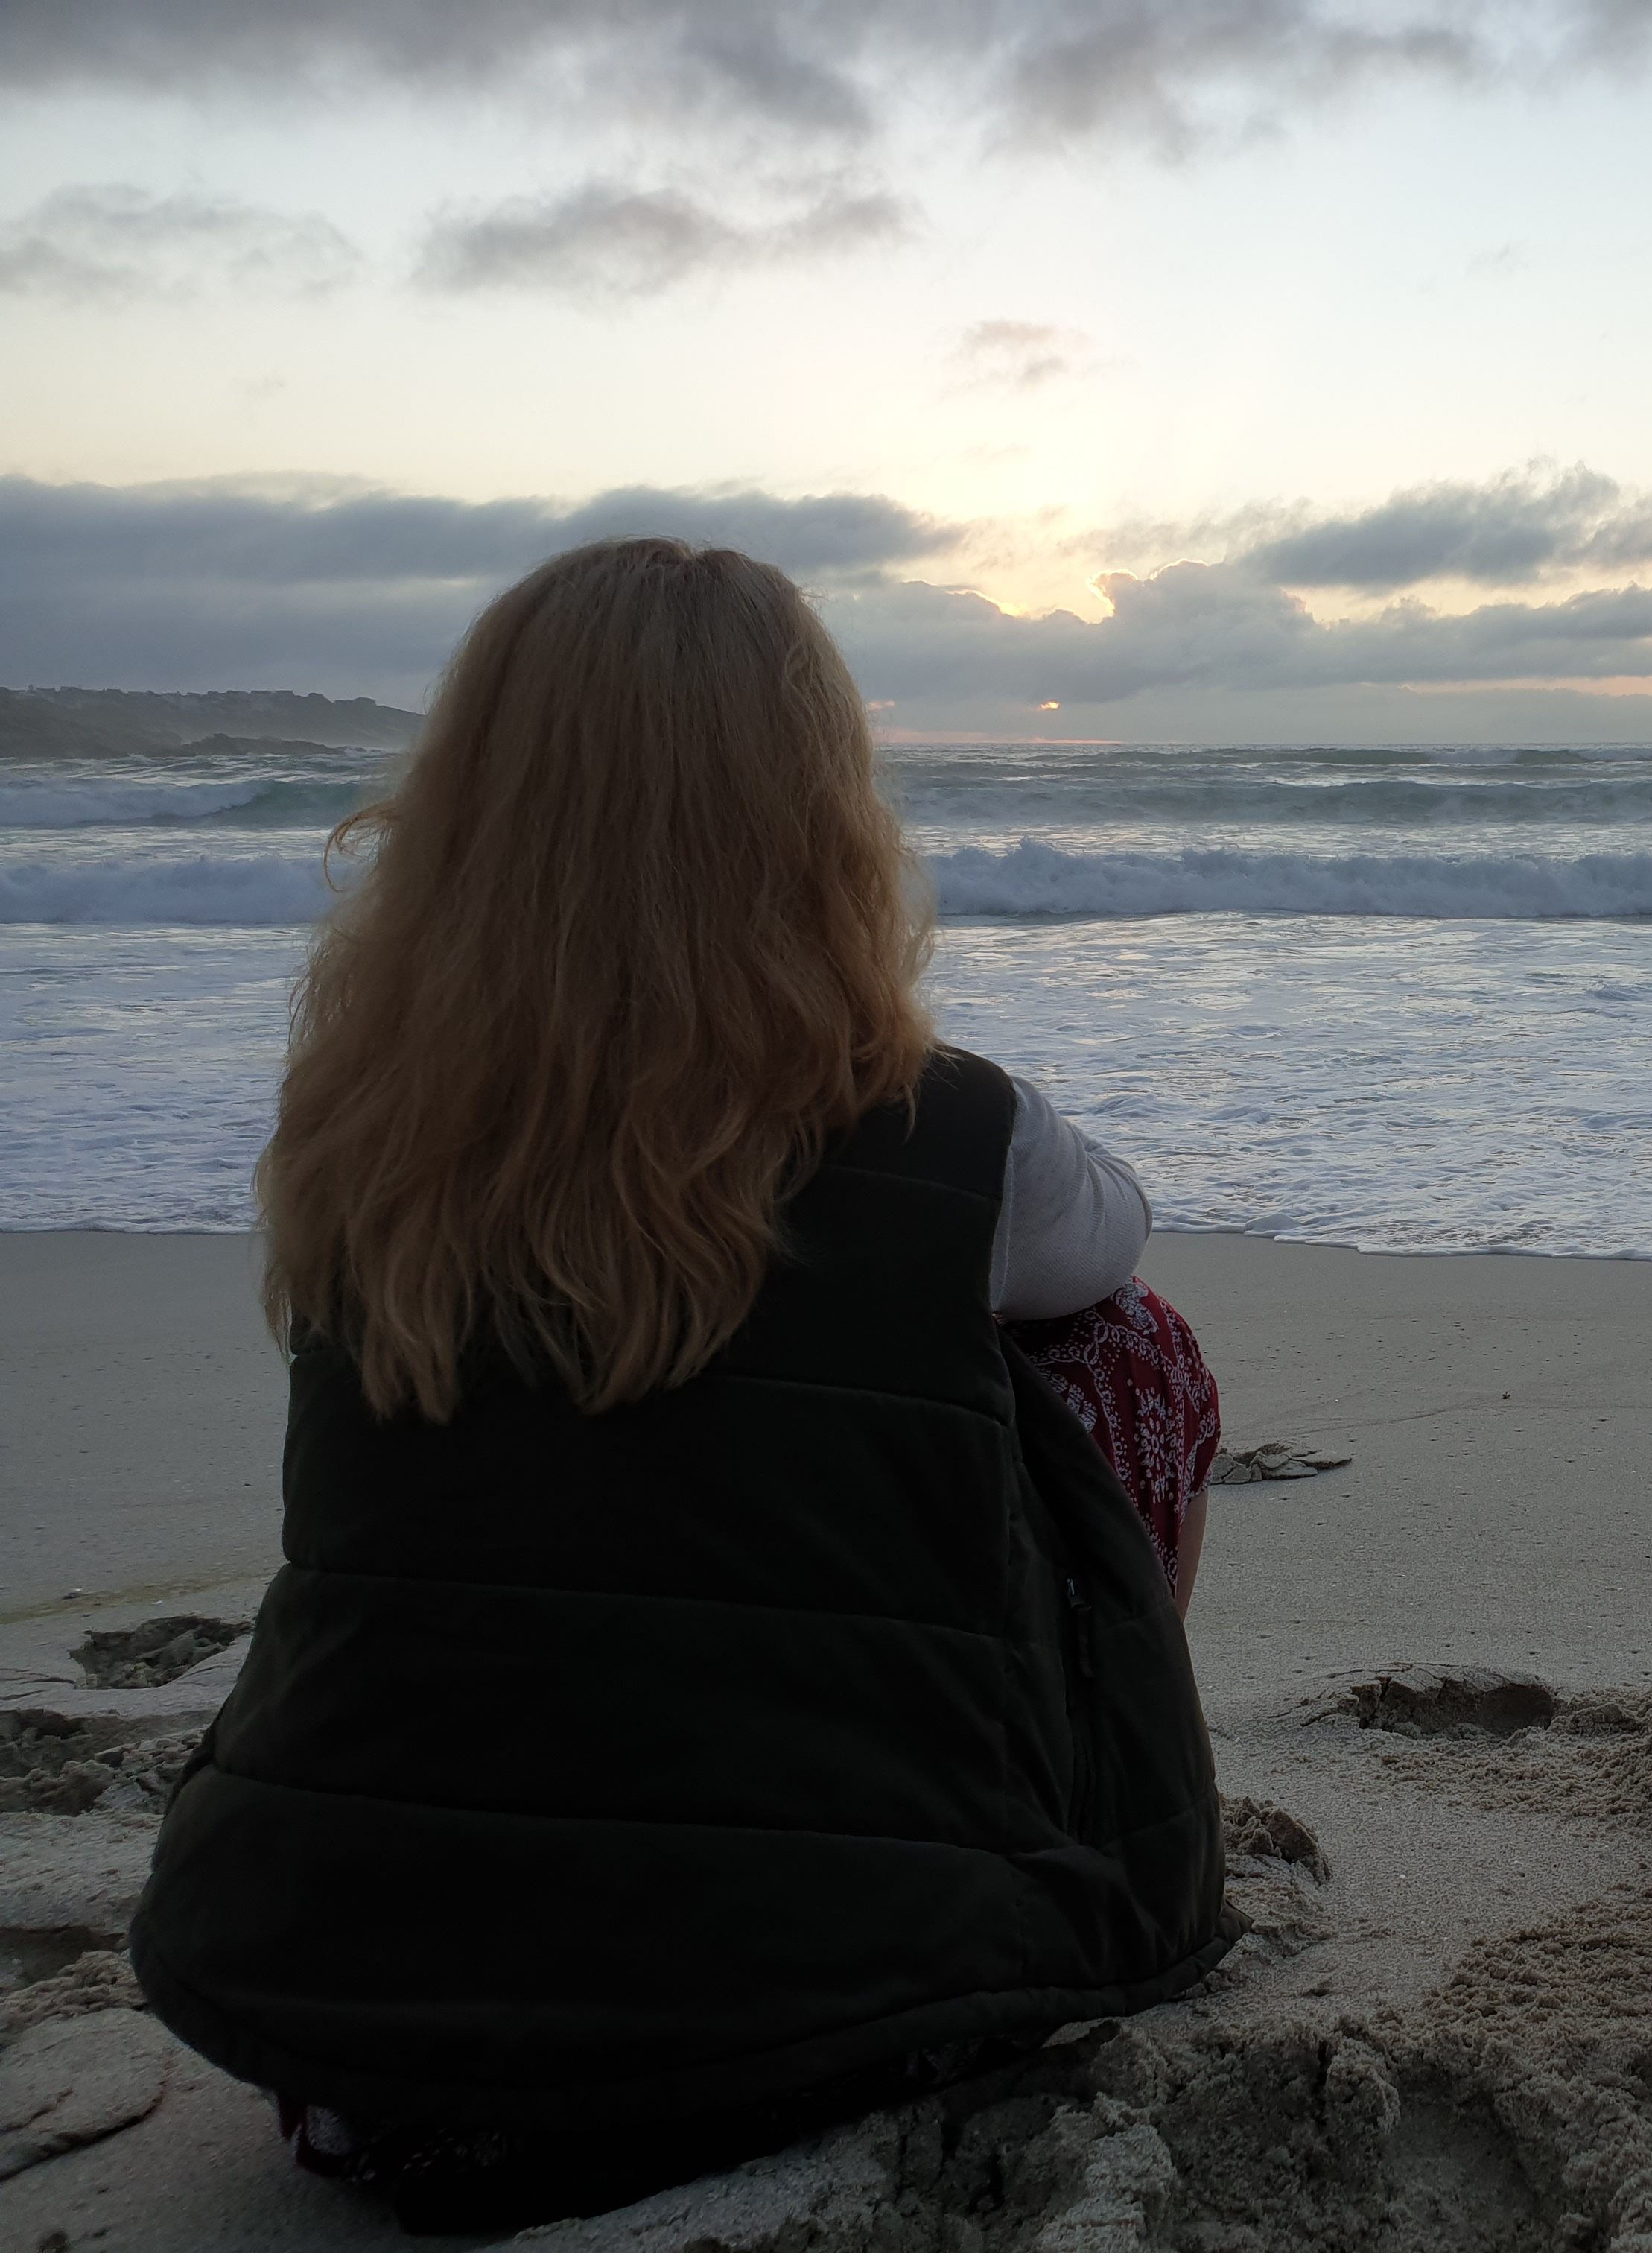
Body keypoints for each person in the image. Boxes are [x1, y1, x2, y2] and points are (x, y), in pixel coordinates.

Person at [129, 539, 1232, 2232]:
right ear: (816, 813)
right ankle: (1064, 1806)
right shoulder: (949, 1131)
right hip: (833, 2015)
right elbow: (1113, 1241)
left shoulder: (359, 1139)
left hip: (351, 2029)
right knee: (1128, 1348)